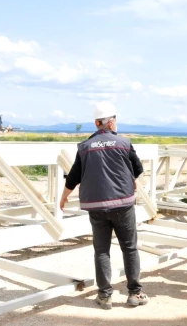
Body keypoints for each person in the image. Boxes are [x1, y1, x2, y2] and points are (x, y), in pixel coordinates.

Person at [60, 101, 148, 310]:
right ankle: (135, 293)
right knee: (130, 248)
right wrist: (128, 181)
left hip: (97, 207)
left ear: (97, 123)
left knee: (101, 251)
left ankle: (105, 296)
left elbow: (73, 177)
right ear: (111, 123)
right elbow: (137, 168)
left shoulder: (85, 146)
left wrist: (63, 197)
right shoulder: (124, 143)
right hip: (123, 205)